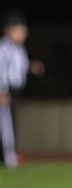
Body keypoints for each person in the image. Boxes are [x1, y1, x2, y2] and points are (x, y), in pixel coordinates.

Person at [0, 11, 44, 168]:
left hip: (15, 91)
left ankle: (10, 154)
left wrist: (32, 67)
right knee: (6, 125)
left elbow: (20, 66)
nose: (23, 34)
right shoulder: (4, 47)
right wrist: (2, 91)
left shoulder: (18, 49)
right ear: (9, 31)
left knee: (10, 123)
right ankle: (9, 156)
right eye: (19, 31)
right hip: (6, 91)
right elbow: (2, 69)